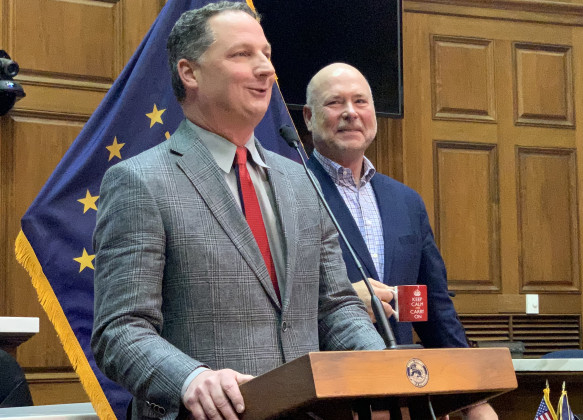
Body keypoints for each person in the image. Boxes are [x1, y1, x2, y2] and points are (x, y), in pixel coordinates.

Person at [91, 5, 384, 420]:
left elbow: (335, 307)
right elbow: (119, 330)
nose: (266, 69)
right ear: (190, 73)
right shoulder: (140, 182)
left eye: (266, 54)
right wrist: (191, 379)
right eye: (242, 54)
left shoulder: (303, 181)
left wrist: (385, 369)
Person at [303, 63, 498, 420]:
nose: (350, 112)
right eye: (335, 103)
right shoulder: (290, 190)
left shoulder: (406, 201)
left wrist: (474, 397)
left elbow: (434, 306)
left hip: (405, 395)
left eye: (360, 101)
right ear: (308, 118)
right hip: (328, 398)